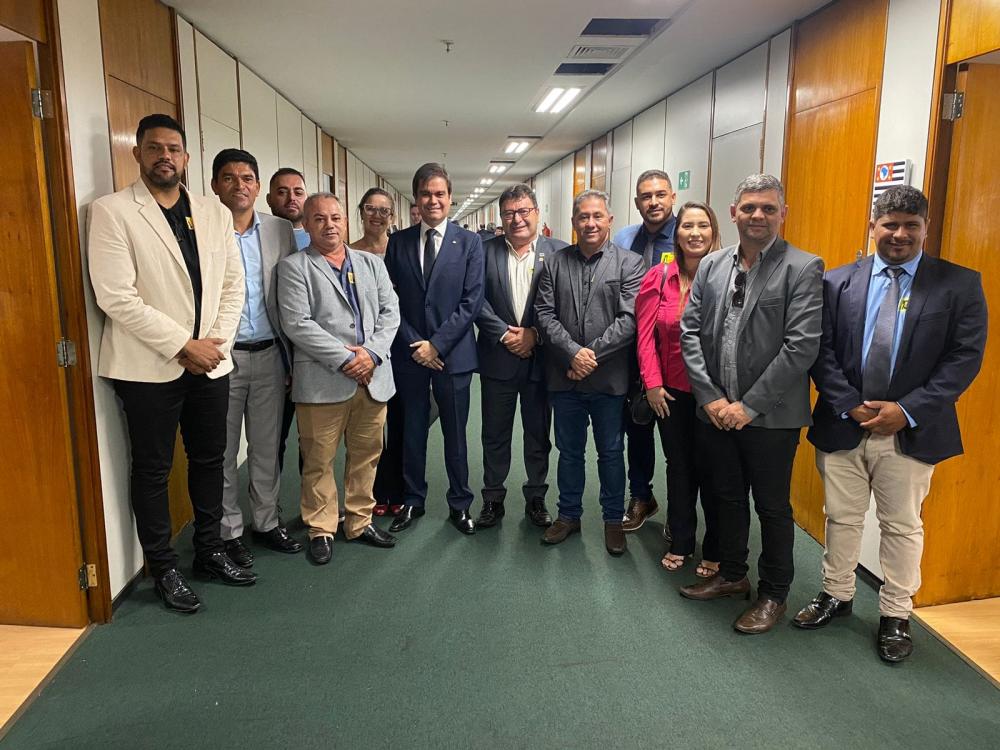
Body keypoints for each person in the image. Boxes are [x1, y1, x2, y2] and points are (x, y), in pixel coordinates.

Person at [795, 185, 987, 663]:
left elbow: (964, 359)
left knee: (902, 526)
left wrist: (907, 410)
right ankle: (836, 595)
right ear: (873, 226)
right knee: (840, 516)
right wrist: (848, 403)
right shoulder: (837, 282)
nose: (900, 234)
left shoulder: (957, 285)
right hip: (845, 424)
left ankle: (897, 614)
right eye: (890, 224)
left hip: (911, 431)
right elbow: (821, 351)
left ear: (926, 228)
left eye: (911, 226)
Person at [88, 114, 255, 613]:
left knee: (210, 459)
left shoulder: (212, 212)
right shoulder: (113, 211)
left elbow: (232, 284)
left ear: (186, 157)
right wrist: (185, 343)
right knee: (153, 468)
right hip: (148, 367)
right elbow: (116, 296)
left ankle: (208, 550)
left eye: (175, 149)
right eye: (155, 148)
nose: (166, 156)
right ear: (137, 154)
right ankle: (162, 567)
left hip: (211, 362)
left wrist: (215, 342)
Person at [678, 174, 823, 634]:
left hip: (770, 417)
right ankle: (732, 575)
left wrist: (748, 406)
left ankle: (774, 593)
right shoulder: (712, 265)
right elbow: (690, 332)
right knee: (726, 498)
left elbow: (800, 348)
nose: (757, 215)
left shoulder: (802, 267)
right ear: (734, 211)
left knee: (772, 507)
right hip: (717, 412)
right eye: (749, 207)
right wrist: (713, 399)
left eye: (767, 208)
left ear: (783, 213)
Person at [277, 193, 400, 564]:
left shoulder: (370, 263)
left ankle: (360, 521)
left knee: (366, 455)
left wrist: (372, 354)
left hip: (373, 377)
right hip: (322, 380)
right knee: (318, 458)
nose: (329, 225)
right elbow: (297, 324)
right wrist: (348, 358)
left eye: (335, 217)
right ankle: (321, 527)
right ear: (307, 224)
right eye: (319, 219)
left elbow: (390, 312)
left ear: (346, 220)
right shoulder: (294, 267)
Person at [534, 190, 644, 555]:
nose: (591, 223)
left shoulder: (630, 264)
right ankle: (568, 515)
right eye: (583, 216)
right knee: (569, 452)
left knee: (611, 452)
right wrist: (571, 354)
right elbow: (544, 315)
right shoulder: (553, 263)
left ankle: (613, 520)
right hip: (564, 378)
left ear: (610, 220)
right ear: (573, 222)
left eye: (597, 216)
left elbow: (629, 320)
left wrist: (588, 356)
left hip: (609, 380)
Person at [210, 149, 301, 567]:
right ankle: (227, 531)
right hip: (221, 359)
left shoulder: (280, 230)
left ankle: (266, 522)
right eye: (229, 178)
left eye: (247, 178)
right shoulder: (204, 228)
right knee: (224, 452)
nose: (239, 186)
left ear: (257, 187)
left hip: (269, 355)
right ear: (216, 186)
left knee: (266, 448)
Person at [385, 163, 485, 535]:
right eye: (426, 193)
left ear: (449, 197)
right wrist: (418, 345)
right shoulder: (399, 242)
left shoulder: (470, 242)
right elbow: (390, 301)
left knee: (456, 435)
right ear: (416, 198)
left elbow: (472, 301)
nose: (433, 200)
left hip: (453, 355)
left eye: (439, 193)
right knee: (412, 431)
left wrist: (437, 344)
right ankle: (413, 500)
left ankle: (460, 503)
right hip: (410, 356)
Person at [635, 202, 721, 576]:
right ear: (677, 232)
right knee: (680, 468)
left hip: (716, 394)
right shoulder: (658, 276)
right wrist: (652, 384)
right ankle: (682, 540)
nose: (695, 233)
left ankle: (716, 548)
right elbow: (644, 336)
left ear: (714, 231)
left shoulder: (728, 274)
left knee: (716, 472)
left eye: (703, 225)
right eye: (688, 226)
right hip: (671, 392)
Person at [474, 184, 567, 528]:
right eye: (510, 213)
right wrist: (503, 333)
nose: (517, 219)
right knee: (494, 433)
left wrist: (535, 335)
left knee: (538, 433)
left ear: (537, 213)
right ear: (501, 218)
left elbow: (564, 306)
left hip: (541, 361)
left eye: (524, 211)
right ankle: (492, 498)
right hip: (497, 359)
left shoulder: (558, 253)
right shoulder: (483, 252)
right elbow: (474, 301)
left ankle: (536, 497)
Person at [613, 170, 677, 533]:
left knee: (677, 440)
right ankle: (642, 496)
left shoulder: (688, 235)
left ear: (672, 198)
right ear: (637, 202)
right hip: (634, 351)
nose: (653, 202)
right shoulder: (625, 239)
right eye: (645, 196)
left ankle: (680, 510)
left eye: (660, 195)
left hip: (675, 354)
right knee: (636, 429)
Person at [350, 187, 404, 516]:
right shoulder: (348, 252)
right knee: (366, 431)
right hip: (362, 352)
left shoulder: (401, 252)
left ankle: (393, 488)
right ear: (361, 212)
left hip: (400, 346)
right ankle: (367, 494)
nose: (377, 216)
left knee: (397, 423)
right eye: (371, 208)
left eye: (384, 210)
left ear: (392, 217)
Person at [266, 167, 310, 250]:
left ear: (307, 199)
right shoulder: (258, 237)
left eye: (298, 193)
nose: (291, 198)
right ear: (269, 199)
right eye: (282, 192)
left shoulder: (319, 238)